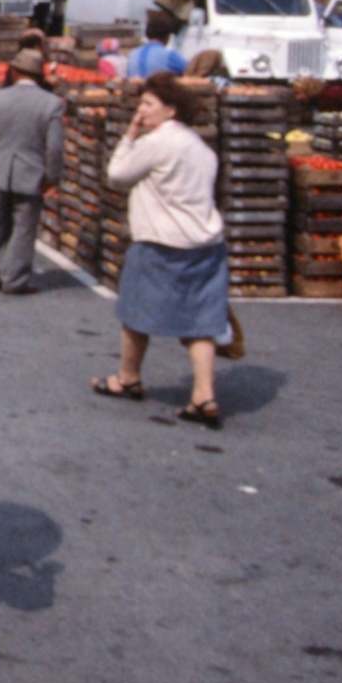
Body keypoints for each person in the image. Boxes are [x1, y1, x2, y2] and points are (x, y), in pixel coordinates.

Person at [92, 72, 229, 429]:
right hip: (205, 245)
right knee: (202, 323)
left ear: (171, 110)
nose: (141, 111)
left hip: (161, 243)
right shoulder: (201, 148)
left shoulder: (157, 142)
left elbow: (118, 175)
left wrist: (130, 136)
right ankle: (204, 393)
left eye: (149, 105)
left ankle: (127, 376)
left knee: (135, 313)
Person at [0, 49, 64, 295]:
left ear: (14, 71)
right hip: (30, 173)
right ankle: (14, 278)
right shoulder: (51, 104)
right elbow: (54, 148)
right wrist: (52, 178)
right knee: (24, 228)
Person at [125, 9, 189, 80]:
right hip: (159, 90)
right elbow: (191, 70)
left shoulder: (133, 54)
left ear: (147, 35)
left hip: (135, 90)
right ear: (167, 37)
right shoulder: (169, 55)